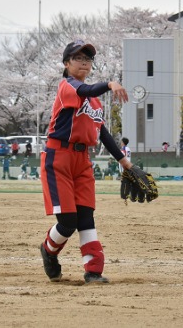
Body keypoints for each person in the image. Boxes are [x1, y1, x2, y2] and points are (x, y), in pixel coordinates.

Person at [39, 39, 131, 284]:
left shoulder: (95, 103)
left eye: (87, 59)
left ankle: (93, 270)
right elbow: (86, 90)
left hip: (82, 160)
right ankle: (48, 250)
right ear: (67, 63)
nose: (84, 62)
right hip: (58, 157)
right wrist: (111, 83)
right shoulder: (66, 86)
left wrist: (126, 163)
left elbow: (102, 134)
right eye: (78, 58)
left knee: (86, 216)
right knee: (67, 222)